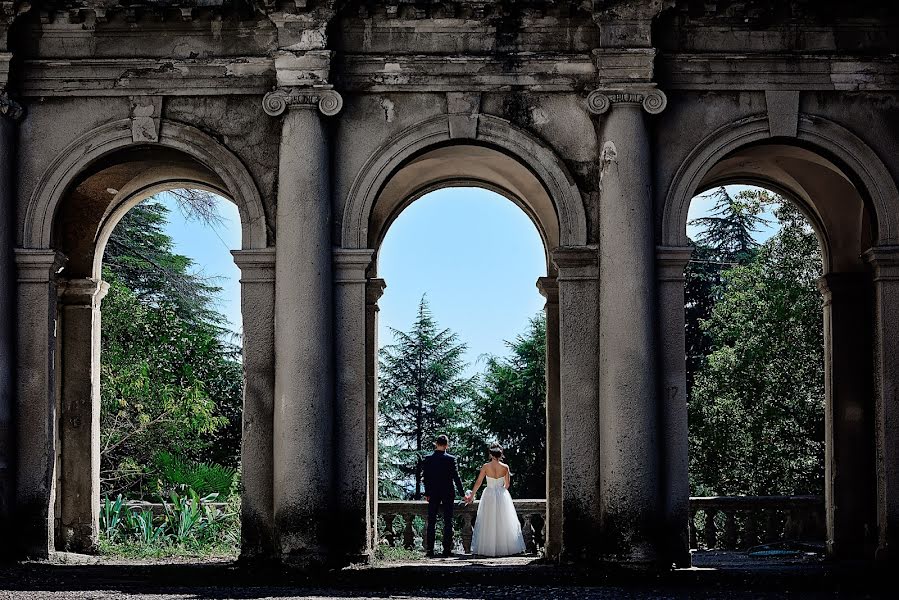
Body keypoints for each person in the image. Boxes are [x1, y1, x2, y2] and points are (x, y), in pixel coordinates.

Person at [465, 444, 526, 557]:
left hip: (489, 494)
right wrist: (501, 491)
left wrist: (471, 495)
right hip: (502, 494)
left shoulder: (485, 466)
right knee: (503, 521)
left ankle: (488, 548)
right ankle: (504, 548)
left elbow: (478, 482)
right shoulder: (505, 467)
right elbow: (507, 484)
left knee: (488, 520)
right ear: (500, 454)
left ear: (491, 454)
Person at [421, 433, 469, 557]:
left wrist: (427, 493)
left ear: (436, 444)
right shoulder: (451, 459)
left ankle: (430, 550)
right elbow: (456, 478)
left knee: (431, 521)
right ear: (447, 445)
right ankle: (446, 550)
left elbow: (426, 478)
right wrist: (463, 494)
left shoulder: (428, 459)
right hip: (448, 492)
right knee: (448, 521)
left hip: (433, 493)